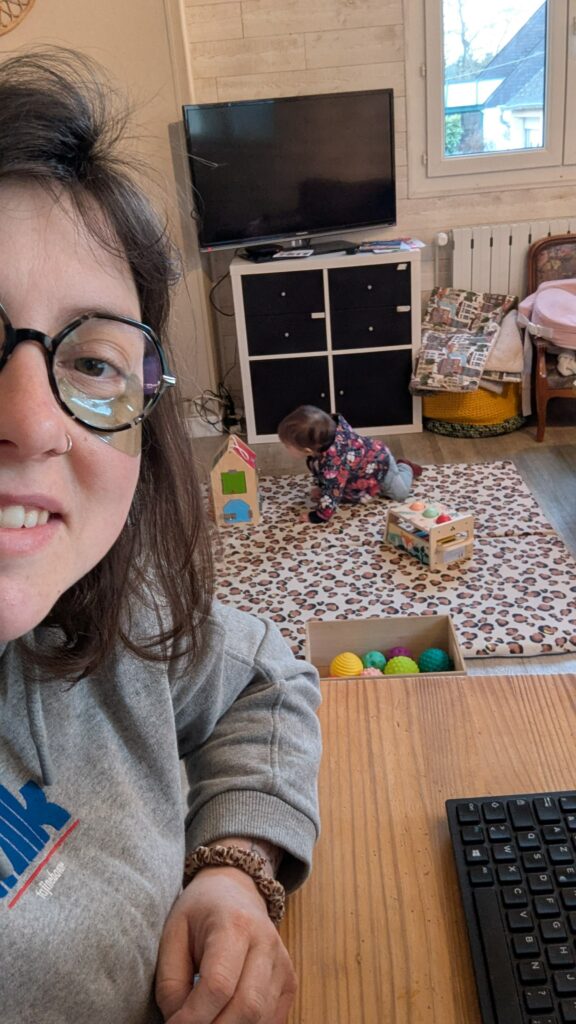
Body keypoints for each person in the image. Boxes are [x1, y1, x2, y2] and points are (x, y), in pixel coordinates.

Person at [0, 49, 322, 1024]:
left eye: (93, 358)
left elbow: (266, 674)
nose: (35, 418)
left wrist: (234, 867)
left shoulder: (102, 615)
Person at [277, 405, 423, 523]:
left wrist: (317, 516)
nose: (285, 447)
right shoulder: (325, 436)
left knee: (400, 494)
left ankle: (405, 467)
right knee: (343, 489)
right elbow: (323, 473)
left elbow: (332, 491)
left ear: (307, 449)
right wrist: (320, 487)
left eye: (287, 445)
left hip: (381, 464)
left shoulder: (333, 463)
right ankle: (379, 481)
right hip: (359, 469)